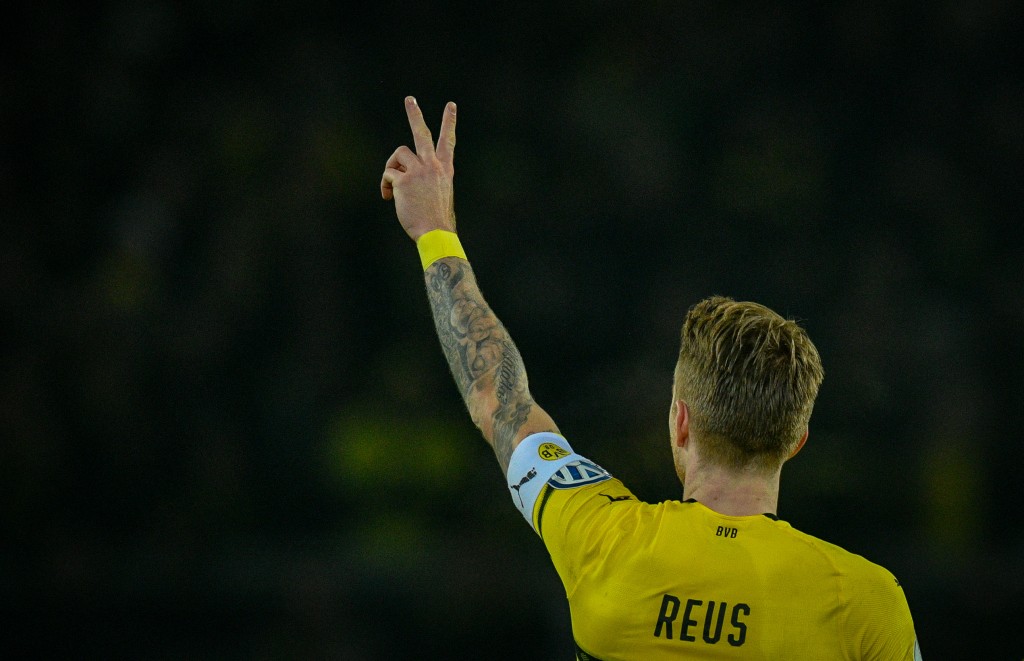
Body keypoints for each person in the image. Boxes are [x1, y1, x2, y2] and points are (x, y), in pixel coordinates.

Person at [380, 96, 921, 660]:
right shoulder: (867, 602)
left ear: (681, 421)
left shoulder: (603, 538)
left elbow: (498, 396)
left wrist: (435, 231)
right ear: (796, 441)